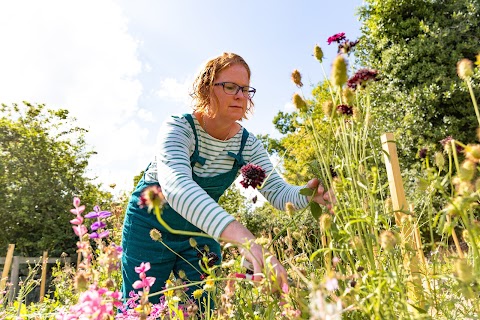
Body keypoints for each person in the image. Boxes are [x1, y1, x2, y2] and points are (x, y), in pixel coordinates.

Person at [121, 52, 334, 311]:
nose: (240, 96)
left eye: (245, 89)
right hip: (148, 228)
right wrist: (247, 241)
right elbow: (177, 188)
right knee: (139, 309)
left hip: (200, 231)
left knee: (204, 309)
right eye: (230, 87)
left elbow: (278, 192)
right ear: (206, 88)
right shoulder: (178, 128)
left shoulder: (247, 145)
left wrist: (309, 195)